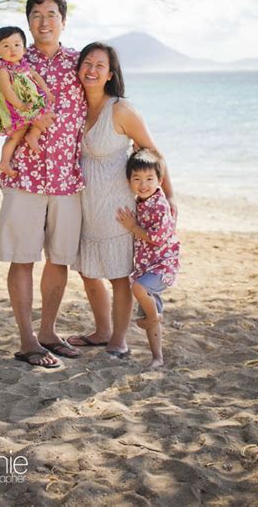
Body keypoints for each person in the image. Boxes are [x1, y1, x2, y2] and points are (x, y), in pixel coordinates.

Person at [67, 42, 177, 358]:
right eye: (86, 63)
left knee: (117, 275)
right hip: (85, 205)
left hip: (117, 209)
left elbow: (154, 154)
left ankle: (119, 339)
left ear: (110, 74)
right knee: (88, 272)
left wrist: (168, 195)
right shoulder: (76, 106)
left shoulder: (121, 110)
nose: (91, 69)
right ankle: (101, 331)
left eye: (99, 65)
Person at [0, 0, 87, 368]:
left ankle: (49, 332)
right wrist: (29, 125)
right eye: (36, 14)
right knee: (22, 258)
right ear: (28, 21)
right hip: (25, 176)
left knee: (59, 259)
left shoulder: (81, 62)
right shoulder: (12, 60)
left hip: (67, 177)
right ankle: (27, 340)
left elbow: (102, 107)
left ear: (64, 20)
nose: (43, 21)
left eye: (51, 14)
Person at [116, 148, 180, 369]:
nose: (143, 184)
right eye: (137, 179)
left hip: (162, 266)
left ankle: (154, 318)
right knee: (149, 305)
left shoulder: (160, 206)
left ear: (160, 180)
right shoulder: (141, 201)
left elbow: (156, 238)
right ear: (129, 181)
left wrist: (133, 227)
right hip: (147, 266)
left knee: (137, 288)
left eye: (149, 179)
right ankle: (157, 357)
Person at [0, 26, 55, 177]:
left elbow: (37, 76)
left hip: (29, 103)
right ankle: (4, 161)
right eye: (6, 46)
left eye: (17, 45)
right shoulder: (3, 70)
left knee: (47, 115)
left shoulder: (24, 65)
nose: (12, 49)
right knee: (15, 136)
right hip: (16, 107)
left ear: (24, 49)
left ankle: (33, 134)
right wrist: (21, 105)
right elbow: (7, 91)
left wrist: (47, 92)